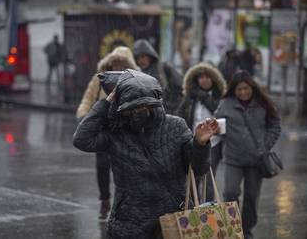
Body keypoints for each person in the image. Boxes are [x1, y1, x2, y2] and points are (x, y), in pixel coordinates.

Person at [73, 69, 219, 238]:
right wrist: (106, 103)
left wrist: (200, 144)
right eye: (131, 107)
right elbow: (81, 140)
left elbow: (199, 169)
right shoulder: (116, 133)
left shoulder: (175, 126)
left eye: (142, 106)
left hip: (172, 219)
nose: (137, 112)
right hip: (129, 222)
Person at [214, 71, 281, 239]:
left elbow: (275, 125)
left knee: (251, 198)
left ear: (252, 87)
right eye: (239, 90)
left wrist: (264, 145)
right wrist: (221, 134)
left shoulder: (263, 103)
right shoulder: (225, 104)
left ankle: (246, 231)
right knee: (230, 193)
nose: (243, 92)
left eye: (246, 88)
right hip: (233, 159)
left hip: (256, 160)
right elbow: (217, 126)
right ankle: (233, 229)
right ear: (233, 90)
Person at [76, 46, 139, 221]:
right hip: (104, 129)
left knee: (125, 167)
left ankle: (125, 201)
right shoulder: (99, 79)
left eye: (121, 64)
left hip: (124, 131)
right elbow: (88, 98)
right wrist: (83, 116)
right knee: (102, 166)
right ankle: (104, 198)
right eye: (114, 64)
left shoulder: (133, 80)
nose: (117, 67)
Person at [176, 62, 226, 200]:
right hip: (192, 142)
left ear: (213, 79)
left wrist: (204, 97)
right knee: (192, 180)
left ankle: (209, 212)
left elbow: (219, 113)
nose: (204, 80)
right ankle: (194, 212)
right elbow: (180, 116)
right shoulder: (190, 97)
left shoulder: (219, 97)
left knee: (208, 182)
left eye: (208, 77)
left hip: (214, 143)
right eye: (201, 77)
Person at [133, 39, 183, 114]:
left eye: (143, 57)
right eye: (138, 58)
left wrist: (169, 107)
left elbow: (179, 88)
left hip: (167, 114)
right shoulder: (136, 74)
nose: (140, 61)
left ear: (149, 56)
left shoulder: (164, 68)